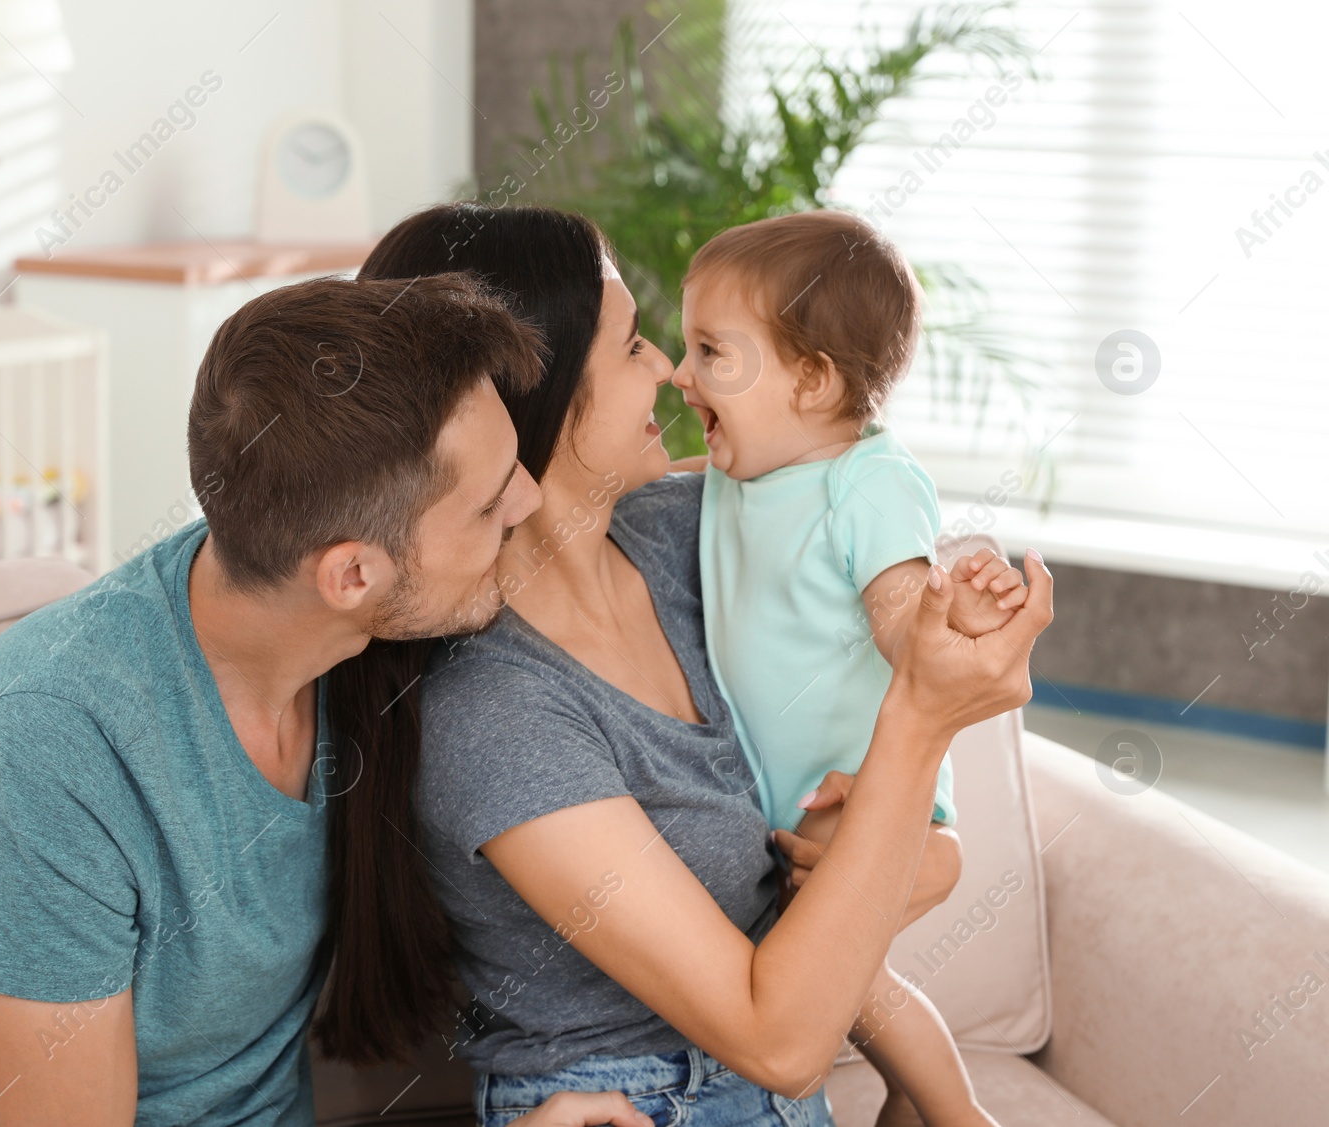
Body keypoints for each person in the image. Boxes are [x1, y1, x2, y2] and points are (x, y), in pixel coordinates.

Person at [0, 274, 643, 1127]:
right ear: (352, 573)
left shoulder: (346, 640)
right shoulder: (48, 745)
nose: (530, 498)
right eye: (488, 502)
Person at [316, 203, 1052, 1127]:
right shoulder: (493, 708)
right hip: (623, 1107)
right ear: (531, 401)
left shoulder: (697, 530)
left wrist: (923, 827)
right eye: (632, 347)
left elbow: (860, 515)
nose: (668, 367)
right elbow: (779, 1041)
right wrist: (922, 721)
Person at [673, 210, 1027, 1126]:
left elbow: (904, 618)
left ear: (813, 379)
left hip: (869, 808)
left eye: (711, 351)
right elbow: (642, 483)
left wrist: (954, 615)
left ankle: (960, 1117)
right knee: (847, 983)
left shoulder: (866, 481)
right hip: (800, 818)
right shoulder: (738, 469)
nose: (680, 375)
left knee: (850, 981)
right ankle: (917, 1109)